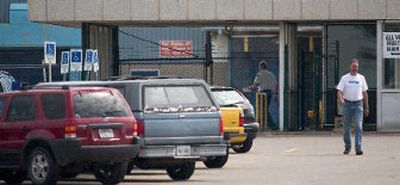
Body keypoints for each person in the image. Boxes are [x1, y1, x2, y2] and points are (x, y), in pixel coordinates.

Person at [336, 59, 369, 155]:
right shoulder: (345, 78)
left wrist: (366, 106)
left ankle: (358, 148)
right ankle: (347, 147)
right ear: (350, 67)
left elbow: (364, 92)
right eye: (353, 66)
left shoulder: (361, 78)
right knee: (346, 127)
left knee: (358, 126)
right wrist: (341, 98)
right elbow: (339, 91)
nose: (355, 68)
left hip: (358, 104)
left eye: (356, 67)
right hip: (347, 104)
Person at [248, 61, 278, 130]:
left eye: (259, 66)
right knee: (265, 109)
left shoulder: (260, 74)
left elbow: (256, 84)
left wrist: (248, 88)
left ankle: (270, 125)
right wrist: (276, 94)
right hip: (270, 93)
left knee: (263, 110)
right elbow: (276, 85)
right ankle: (268, 125)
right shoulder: (271, 74)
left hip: (262, 94)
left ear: (261, 66)